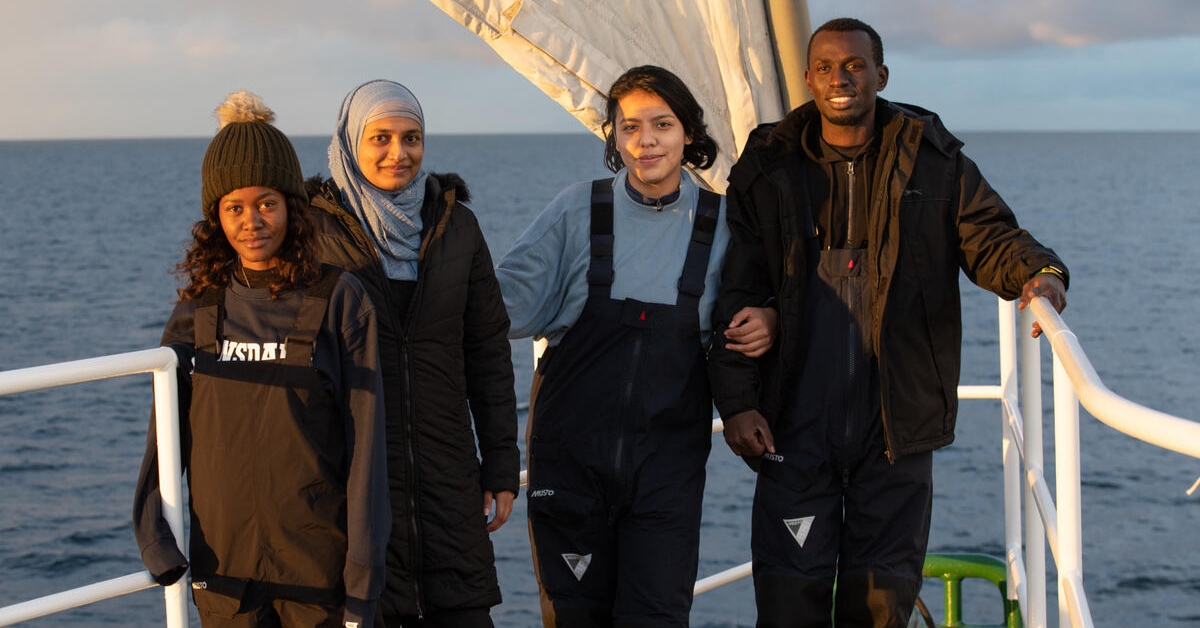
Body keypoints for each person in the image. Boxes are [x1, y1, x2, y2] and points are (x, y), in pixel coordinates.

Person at [707, 18, 1070, 627]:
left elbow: (989, 237)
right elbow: (736, 289)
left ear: (881, 75)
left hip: (896, 429)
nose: (839, 78)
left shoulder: (933, 157)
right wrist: (736, 404)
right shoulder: (766, 166)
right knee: (788, 604)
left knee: (879, 609)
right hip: (792, 424)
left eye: (853, 66)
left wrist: (1041, 273)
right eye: (824, 67)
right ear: (807, 80)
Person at [496, 65, 774, 628]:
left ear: (689, 133)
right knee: (575, 618)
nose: (645, 141)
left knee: (658, 616)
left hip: (666, 470)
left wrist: (771, 318)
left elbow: (761, 304)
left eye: (662, 124)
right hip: (570, 460)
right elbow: (497, 307)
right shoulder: (578, 210)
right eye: (629, 127)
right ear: (613, 137)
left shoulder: (723, 225)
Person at [132, 90, 390, 627]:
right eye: (234, 208)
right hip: (224, 574)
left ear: (292, 208)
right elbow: (166, 433)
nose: (252, 221)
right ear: (216, 217)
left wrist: (362, 580)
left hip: (318, 574)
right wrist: (155, 537)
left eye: (266, 203)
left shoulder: (339, 298)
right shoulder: (200, 308)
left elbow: (367, 446)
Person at [306, 80, 520, 627]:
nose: (398, 153)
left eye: (411, 138)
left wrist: (500, 464)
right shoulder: (314, 231)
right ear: (350, 140)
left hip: (447, 476)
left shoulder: (456, 227)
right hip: (357, 480)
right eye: (380, 137)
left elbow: (488, 351)